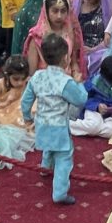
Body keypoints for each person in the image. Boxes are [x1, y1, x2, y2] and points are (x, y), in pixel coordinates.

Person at [22, 33, 88, 205]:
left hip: (41, 124)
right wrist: (79, 82)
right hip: (59, 127)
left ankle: (45, 167)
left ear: (43, 55)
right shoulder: (65, 81)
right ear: (65, 58)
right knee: (64, 157)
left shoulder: (37, 76)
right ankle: (59, 193)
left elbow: (26, 100)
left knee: (48, 147)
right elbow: (80, 99)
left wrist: (27, 117)